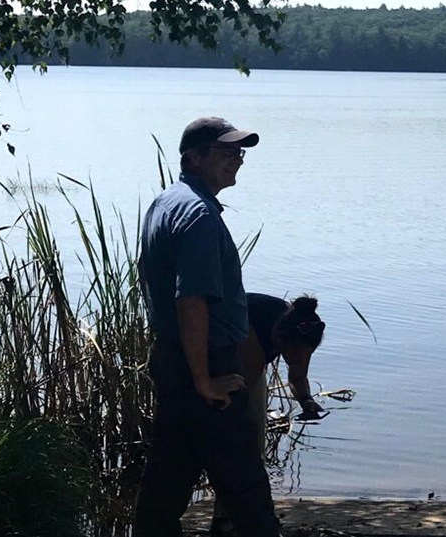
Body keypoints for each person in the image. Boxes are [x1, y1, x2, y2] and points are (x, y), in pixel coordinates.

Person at [135, 117, 280, 536]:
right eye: (226, 151)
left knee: (167, 479)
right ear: (193, 158)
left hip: (172, 357)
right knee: (245, 487)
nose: (237, 159)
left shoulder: (165, 203)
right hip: (206, 365)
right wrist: (205, 380)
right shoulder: (198, 215)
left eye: (240, 152)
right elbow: (192, 302)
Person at [210, 292, 327, 536]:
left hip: (249, 364)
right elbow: (240, 398)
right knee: (238, 442)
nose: (300, 360)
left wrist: (306, 400)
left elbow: (298, 376)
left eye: (307, 355)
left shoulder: (300, 330)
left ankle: (234, 514)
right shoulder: (252, 342)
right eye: (296, 355)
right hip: (216, 359)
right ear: (281, 340)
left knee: (256, 446)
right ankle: (227, 520)